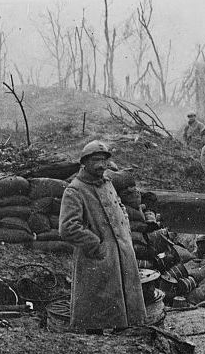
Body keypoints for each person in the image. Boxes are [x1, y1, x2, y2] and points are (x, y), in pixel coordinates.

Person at [59, 140, 145, 332]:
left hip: (120, 253)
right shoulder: (75, 190)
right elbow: (67, 227)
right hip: (96, 258)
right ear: (85, 163)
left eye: (103, 160)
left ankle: (122, 332)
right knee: (95, 310)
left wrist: (126, 231)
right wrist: (96, 245)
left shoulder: (107, 182)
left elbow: (119, 205)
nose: (101, 165)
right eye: (96, 160)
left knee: (122, 305)